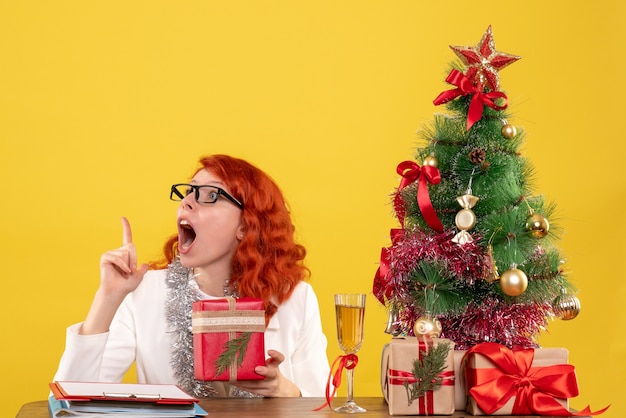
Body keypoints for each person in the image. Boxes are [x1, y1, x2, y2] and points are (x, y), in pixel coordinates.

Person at [53, 154, 330, 398]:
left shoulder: (295, 298)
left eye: (210, 195)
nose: (186, 202)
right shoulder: (143, 293)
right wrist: (108, 298)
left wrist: (282, 389)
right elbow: (71, 400)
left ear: (247, 226)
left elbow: (321, 402)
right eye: (188, 192)